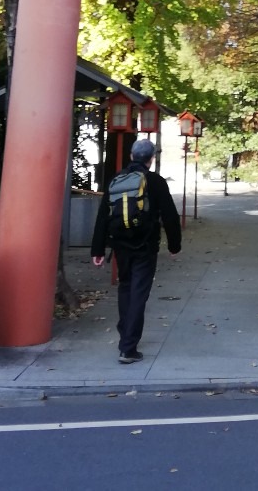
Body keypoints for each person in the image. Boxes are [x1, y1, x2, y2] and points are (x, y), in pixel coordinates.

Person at [91, 138, 181, 364]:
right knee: (139, 293)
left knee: (125, 287)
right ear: (151, 159)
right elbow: (170, 215)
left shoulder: (117, 180)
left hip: (120, 244)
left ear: (131, 156)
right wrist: (174, 245)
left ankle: (125, 333)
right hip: (145, 245)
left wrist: (97, 249)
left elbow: (103, 216)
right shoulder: (156, 182)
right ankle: (128, 347)